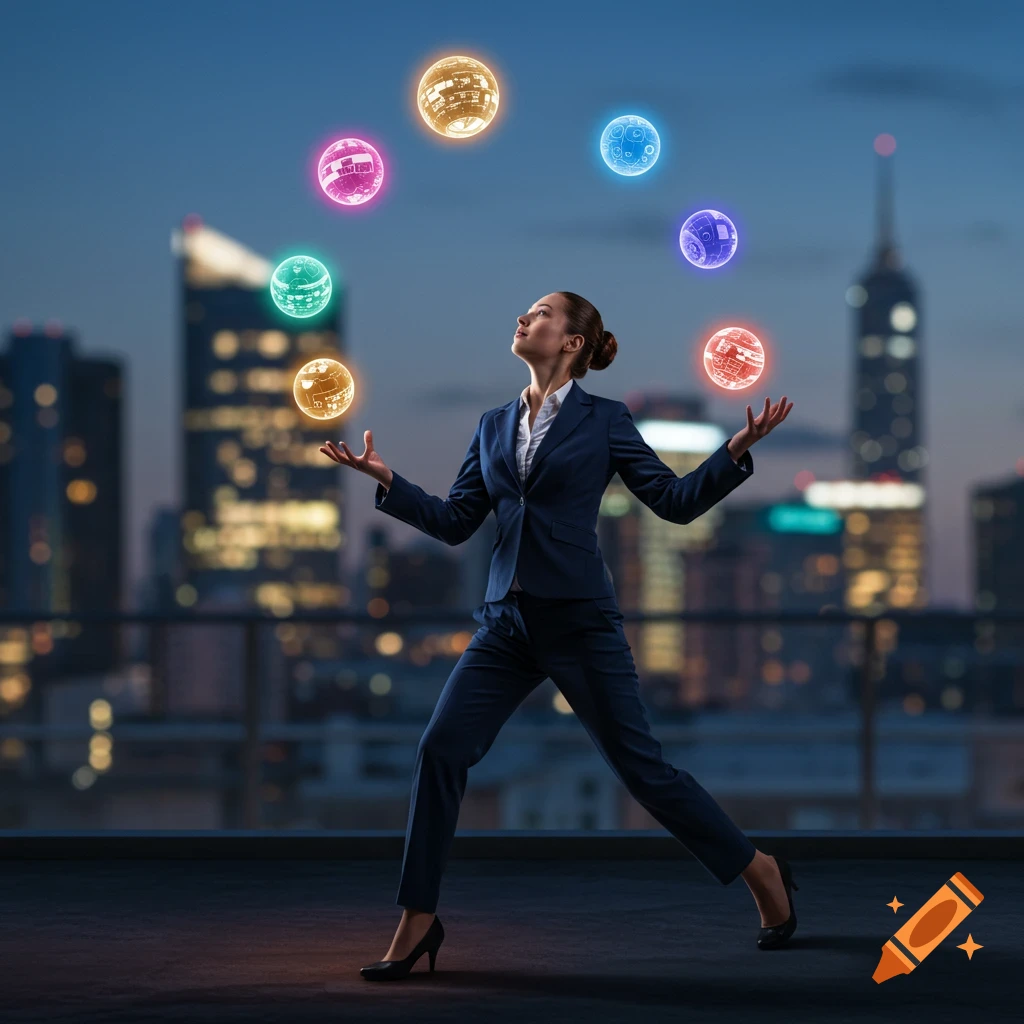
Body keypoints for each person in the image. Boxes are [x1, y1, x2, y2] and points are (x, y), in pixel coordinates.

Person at [320, 291, 797, 981]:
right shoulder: (492, 425)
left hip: (579, 622)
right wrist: (387, 481)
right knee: (440, 750)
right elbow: (456, 521)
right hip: (505, 625)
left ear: (573, 342)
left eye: (542, 313)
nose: (524, 318)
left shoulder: (606, 420)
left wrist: (735, 451)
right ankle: (418, 919)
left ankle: (760, 870)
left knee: (644, 773)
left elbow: (673, 503)